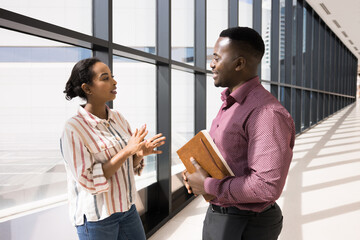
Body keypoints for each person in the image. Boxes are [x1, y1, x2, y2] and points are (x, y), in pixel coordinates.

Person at [183, 27, 295, 240]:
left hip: (245, 222)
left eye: (216, 58)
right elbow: (231, 159)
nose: (211, 64)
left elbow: (265, 186)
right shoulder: (231, 103)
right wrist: (195, 173)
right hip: (222, 214)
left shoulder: (266, 113)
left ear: (239, 63)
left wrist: (206, 184)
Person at [60, 57, 165, 240]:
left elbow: (127, 166)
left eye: (112, 76)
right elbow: (89, 180)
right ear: (87, 88)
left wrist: (138, 155)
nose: (114, 82)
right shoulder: (73, 129)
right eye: (105, 78)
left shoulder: (118, 118)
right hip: (98, 219)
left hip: (127, 209)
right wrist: (126, 151)